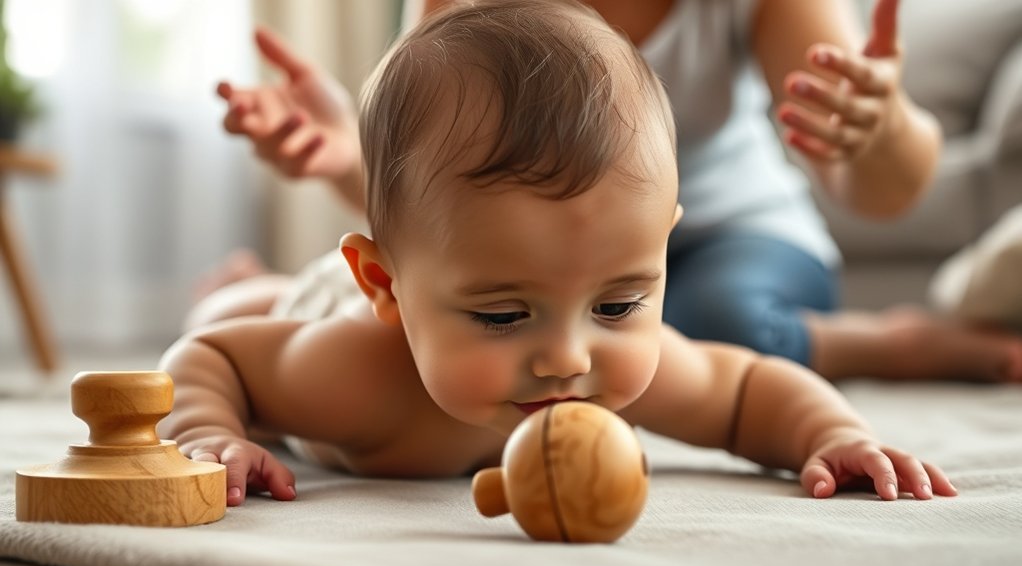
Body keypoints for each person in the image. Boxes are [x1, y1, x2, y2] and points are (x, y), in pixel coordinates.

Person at [160, 0, 957, 507]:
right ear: (386, 283)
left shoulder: (606, 366)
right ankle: (252, 283)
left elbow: (746, 389)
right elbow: (208, 357)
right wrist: (210, 430)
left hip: (751, 224)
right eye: (504, 314)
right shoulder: (351, 375)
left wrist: (834, 437)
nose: (568, 356)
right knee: (228, 312)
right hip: (326, 303)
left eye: (618, 304)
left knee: (727, 328)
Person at [204, 0, 1022, 384]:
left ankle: (884, 343)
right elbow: (436, 210)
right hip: (556, 255)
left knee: (693, 338)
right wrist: (350, 153)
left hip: (737, 230)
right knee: (447, 325)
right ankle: (284, 299)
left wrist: (879, 132)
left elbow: (875, 193)